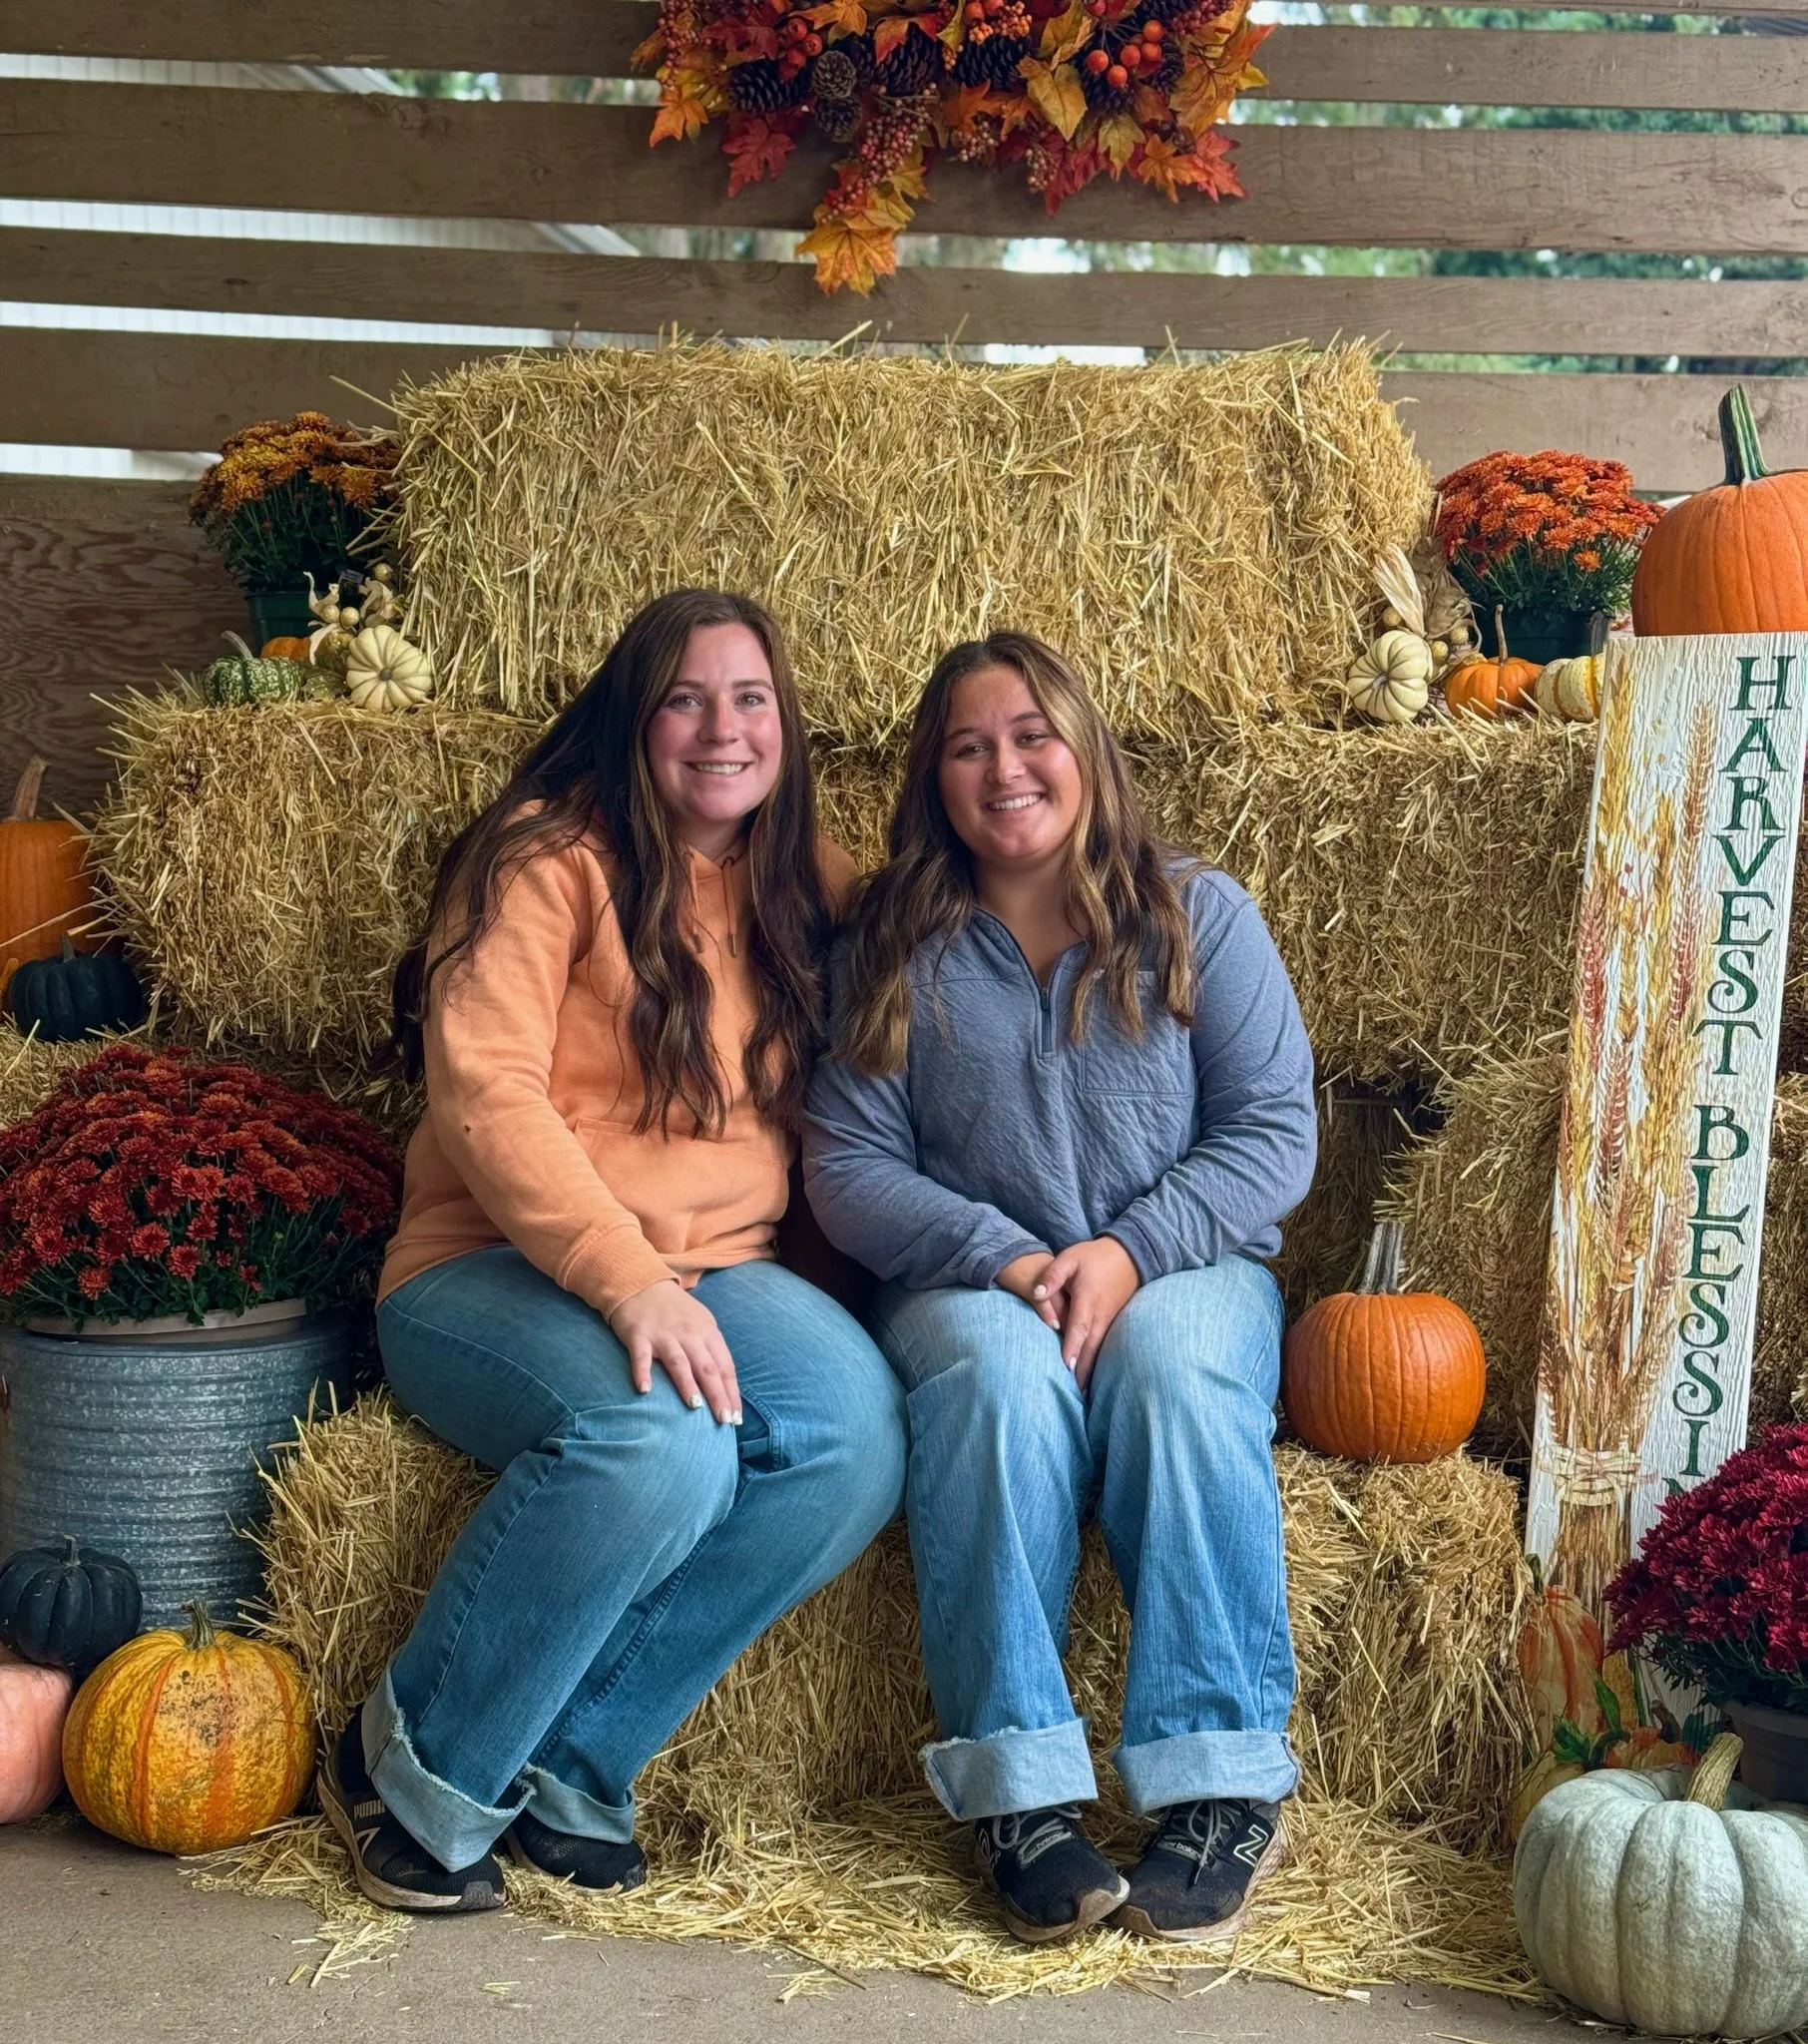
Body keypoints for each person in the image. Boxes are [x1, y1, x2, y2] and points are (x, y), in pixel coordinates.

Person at [320, 588, 908, 1913]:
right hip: (490, 1267)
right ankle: (409, 1769)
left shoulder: (795, 878)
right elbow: (488, 1096)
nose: (723, 728)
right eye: (686, 700)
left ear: (786, 724)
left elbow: (930, 975)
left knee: (853, 1436)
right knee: (662, 1444)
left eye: (751, 698)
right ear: (632, 722)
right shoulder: (544, 858)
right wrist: (628, 1280)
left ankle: (577, 1756)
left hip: (717, 1268)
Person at [804, 632, 1316, 1947]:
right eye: (968, 747)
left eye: (1030, 734)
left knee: (1177, 1368)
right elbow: (848, 1167)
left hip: (1182, 1270)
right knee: (992, 1376)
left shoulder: (1201, 915)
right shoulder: (893, 945)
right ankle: (1020, 1796)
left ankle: (1218, 1785)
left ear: (1083, 748)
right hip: (974, 1284)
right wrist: (1010, 1256)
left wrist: (1132, 1252)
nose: (1005, 767)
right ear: (934, 780)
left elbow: (1273, 1134)